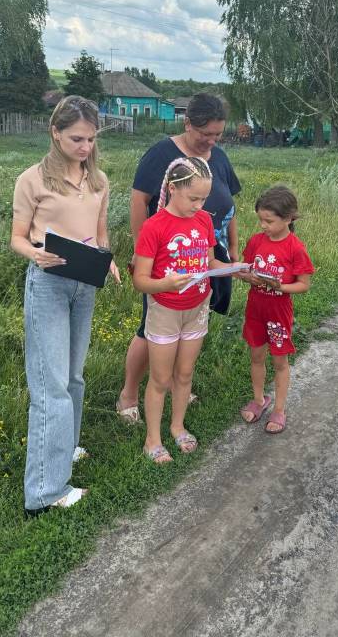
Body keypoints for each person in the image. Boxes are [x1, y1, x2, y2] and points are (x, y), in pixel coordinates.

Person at [11, 96, 120, 516]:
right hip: (49, 284)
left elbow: (100, 233)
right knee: (51, 385)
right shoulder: (32, 180)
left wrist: (107, 260)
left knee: (73, 377)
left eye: (91, 139)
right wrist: (35, 254)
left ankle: (66, 447)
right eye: (77, 139)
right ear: (55, 133)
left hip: (84, 283)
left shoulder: (98, 180)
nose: (85, 147)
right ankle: (45, 491)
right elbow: (18, 237)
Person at [116, 93, 241, 423]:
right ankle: (129, 393)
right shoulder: (162, 154)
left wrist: (234, 247)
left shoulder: (219, 157)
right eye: (205, 134)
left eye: (217, 134)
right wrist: (142, 250)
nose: (211, 141)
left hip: (205, 256)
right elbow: (138, 201)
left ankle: (174, 382)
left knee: (190, 322)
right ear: (187, 123)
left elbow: (230, 206)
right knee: (150, 328)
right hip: (165, 261)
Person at [132, 157, 239, 462]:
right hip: (165, 310)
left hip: (197, 307)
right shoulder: (154, 226)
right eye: (193, 198)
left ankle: (177, 426)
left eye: (203, 199)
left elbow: (210, 261)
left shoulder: (203, 220)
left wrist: (235, 270)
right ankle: (152, 439)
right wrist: (165, 284)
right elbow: (140, 280)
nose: (199, 205)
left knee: (185, 372)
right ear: (173, 188)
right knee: (160, 379)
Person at [238, 186, 314, 434]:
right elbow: (245, 269)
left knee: (279, 360)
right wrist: (247, 276)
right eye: (260, 220)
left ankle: (279, 409)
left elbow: (303, 285)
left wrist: (279, 286)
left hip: (278, 314)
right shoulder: (256, 241)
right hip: (255, 310)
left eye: (269, 221)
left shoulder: (295, 248)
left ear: (289, 218)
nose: (263, 226)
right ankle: (259, 399)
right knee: (256, 356)